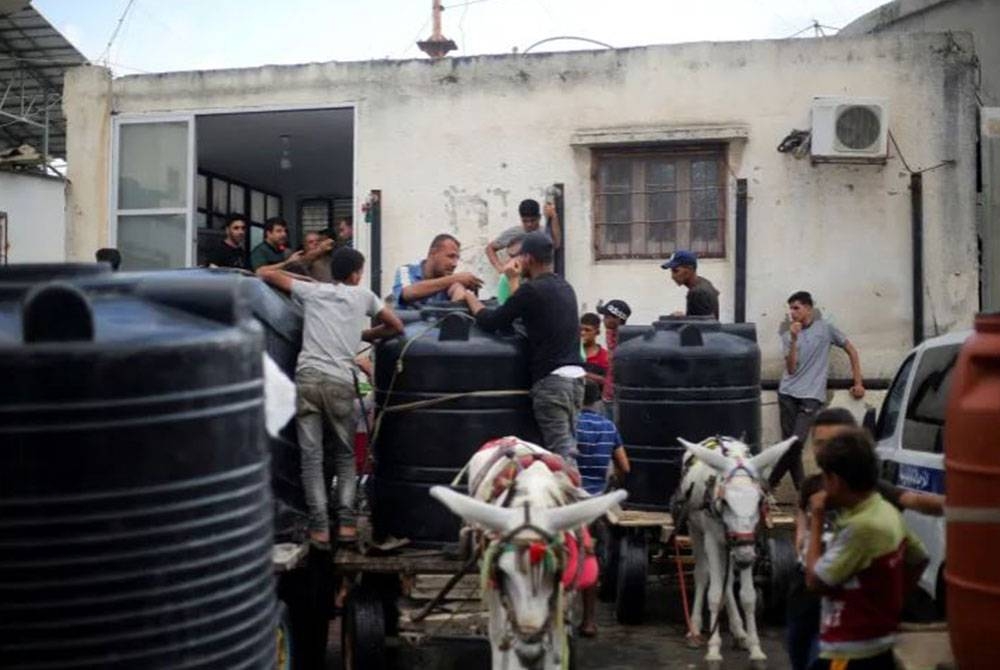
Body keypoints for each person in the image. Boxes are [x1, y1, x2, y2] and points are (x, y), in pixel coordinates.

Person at [259, 247, 404, 547]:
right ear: (354, 274)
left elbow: (263, 274)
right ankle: (348, 527)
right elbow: (396, 325)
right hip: (340, 382)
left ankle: (319, 529)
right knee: (345, 456)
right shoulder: (364, 296)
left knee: (311, 458)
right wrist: (363, 336)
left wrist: (292, 265)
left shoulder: (312, 291)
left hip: (308, 380)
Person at [805, 428, 928, 670]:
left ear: (836, 481)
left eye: (825, 478)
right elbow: (919, 557)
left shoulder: (861, 528)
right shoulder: (884, 510)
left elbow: (814, 580)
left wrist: (816, 519)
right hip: (876, 643)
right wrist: (892, 604)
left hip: (850, 651)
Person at [463, 231, 584, 462]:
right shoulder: (565, 286)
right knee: (567, 447)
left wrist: (469, 297)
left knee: (561, 456)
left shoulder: (531, 291)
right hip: (576, 380)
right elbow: (527, 315)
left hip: (552, 383)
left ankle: (574, 497)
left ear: (526, 259)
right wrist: (514, 281)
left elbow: (491, 321)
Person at [770, 291, 865, 491]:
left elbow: (852, 350)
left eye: (796, 308)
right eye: (790, 309)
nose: (792, 313)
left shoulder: (826, 329)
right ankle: (804, 496)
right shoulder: (788, 335)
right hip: (787, 393)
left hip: (811, 396)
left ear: (808, 308)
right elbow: (791, 369)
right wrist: (794, 340)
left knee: (794, 445)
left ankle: (768, 483)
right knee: (791, 446)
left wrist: (859, 382)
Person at [575, 380, 630, 637]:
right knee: (591, 557)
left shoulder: (568, 425)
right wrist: (612, 483)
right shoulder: (609, 427)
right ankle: (589, 621)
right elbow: (625, 467)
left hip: (569, 501)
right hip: (596, 502)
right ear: (598, 402)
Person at [392, 233, 482, 308]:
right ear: (433, 253)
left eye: (457, 258)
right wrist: (455, 279)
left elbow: (458, 310)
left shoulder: (449, 279)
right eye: (450, 256)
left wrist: (460, 290)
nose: (455, 264)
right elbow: (408, 293)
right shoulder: (406, 270)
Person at [484, 198, 562, 273]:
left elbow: (556, 244)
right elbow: (490, 248)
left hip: (540, 280)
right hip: (518, 280)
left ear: (539, 218)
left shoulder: (544, 233)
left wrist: (554, 217)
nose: (529, 224)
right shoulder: (514, 232)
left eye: (532, 220)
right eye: (525, 221)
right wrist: (500, 268)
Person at [661, 250, 719, 319]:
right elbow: (701, 320)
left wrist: (678, 319)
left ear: (690, 269)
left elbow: (698, 328)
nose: (672, 276)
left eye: (676, 271)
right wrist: (684, 317)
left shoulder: (697, 293)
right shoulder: (705, 283)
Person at [596, 299, 631, 412]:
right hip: (609, 394)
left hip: (615, 396)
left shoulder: (621, 340)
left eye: (606, 316)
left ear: (617, 319)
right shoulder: (610, 334)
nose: (603, 320)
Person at [580, 312, 609, 385]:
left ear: (597, 332)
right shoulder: (572, 353)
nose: (582, 333)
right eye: (580, 329)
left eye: (587, 330)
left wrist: (584, 375)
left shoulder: (605, 356)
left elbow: (608, 382)